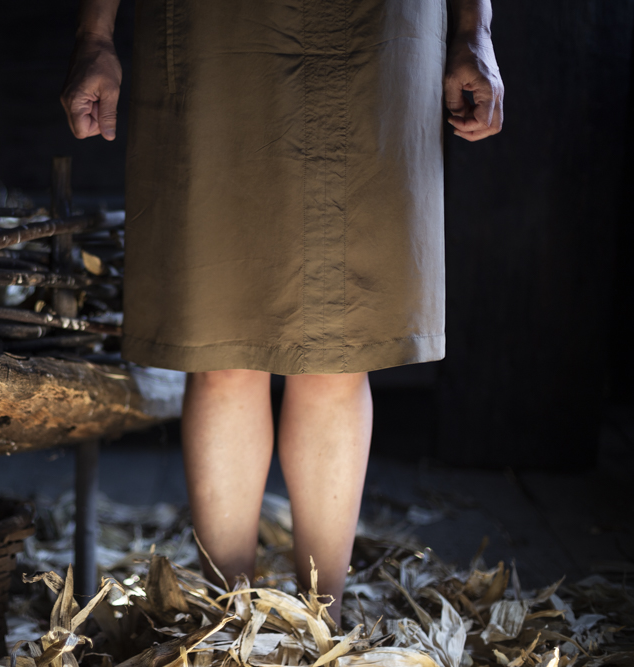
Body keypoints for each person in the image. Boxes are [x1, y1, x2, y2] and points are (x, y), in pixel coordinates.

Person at [61, 0, 503, 625]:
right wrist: (95, 33)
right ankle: (231, 624)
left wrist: (473, 30)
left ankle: (321, 625)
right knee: (220, 339)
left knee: (341, 349)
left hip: (375, 27)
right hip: (218, 27)